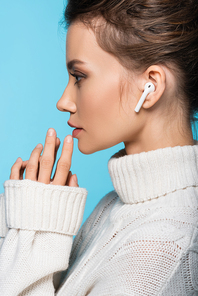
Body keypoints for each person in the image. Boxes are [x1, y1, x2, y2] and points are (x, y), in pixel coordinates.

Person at [0, 0, 198, 295]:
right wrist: (18, 231)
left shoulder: (162, 253)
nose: (64, 102)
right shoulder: (114, 205)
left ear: (151, 87)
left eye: (79, 77)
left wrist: (35, 233)